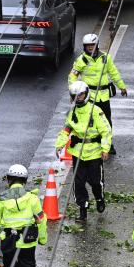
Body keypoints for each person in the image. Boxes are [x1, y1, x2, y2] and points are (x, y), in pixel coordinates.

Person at [55, 81, 112, 221]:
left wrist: (105, 149)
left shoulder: (96, 111)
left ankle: (99, 198)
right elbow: (66, 130)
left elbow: (106, 131)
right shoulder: (72, 112)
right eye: (75, 95)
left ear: (86, 94)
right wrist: (60, 145)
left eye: (81, 95)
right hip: (78, 153)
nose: (78, 98)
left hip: (94, 153)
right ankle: (83, 208)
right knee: (79, 183)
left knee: (95, 181)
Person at [68, 33, 127, 154]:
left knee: (107, 121)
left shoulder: (105, 58)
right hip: (89, 97)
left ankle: (108, 145)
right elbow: (72, 77)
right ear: (84, 46)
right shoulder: (81, 60)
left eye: (93, 45)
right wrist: (73, 93)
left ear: (97, 45)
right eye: (88, 45)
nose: (90, 47)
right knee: (90, 122)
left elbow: (114, 73)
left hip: (103, 97)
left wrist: (122, 86)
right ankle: (92, 144)